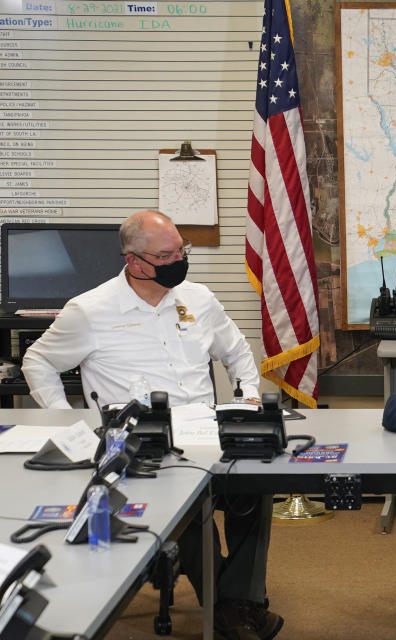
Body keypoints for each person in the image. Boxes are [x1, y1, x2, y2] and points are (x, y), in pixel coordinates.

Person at [22, 210, 282, 640]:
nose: (179, 259)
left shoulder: (198, 299)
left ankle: (235, 602)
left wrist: (249, 396)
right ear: (134, 261)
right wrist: (71, 421)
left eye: (182, 249)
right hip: (143, 446)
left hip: (207, 434)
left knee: (256, 485)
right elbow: (38, 361)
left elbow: (237, 352)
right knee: (189, 499)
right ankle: (235, 612)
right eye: (167, 254)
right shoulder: (89, 310)